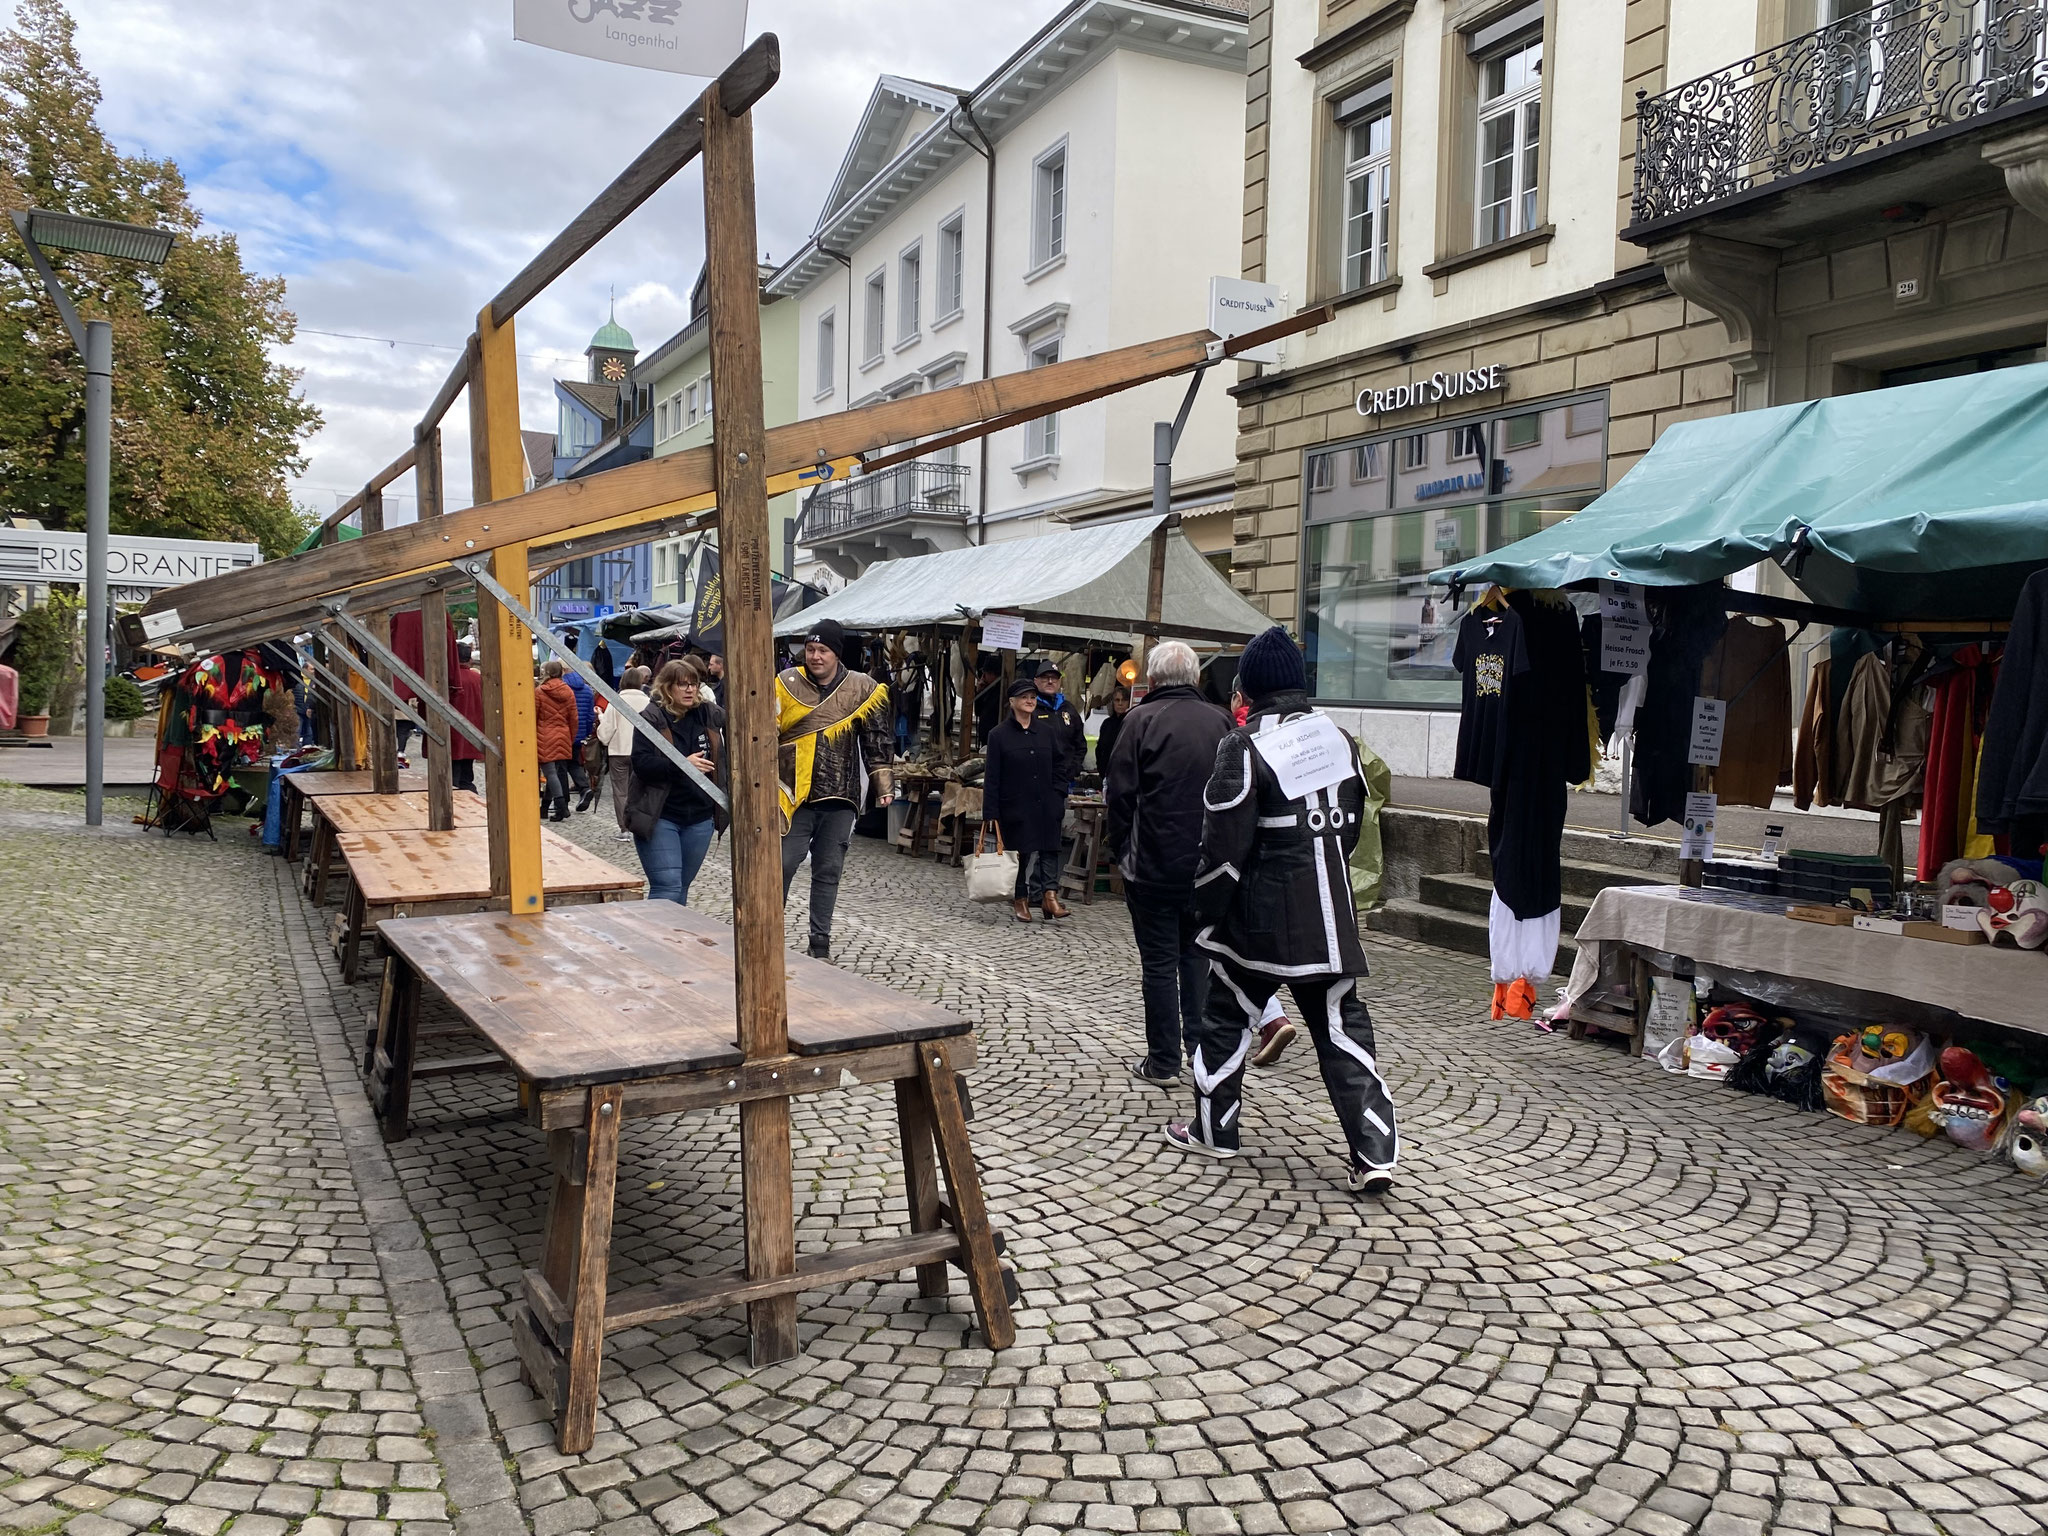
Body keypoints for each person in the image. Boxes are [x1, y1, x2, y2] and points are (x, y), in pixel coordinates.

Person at [1166, 625, 1398, 1196]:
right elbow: (1350, 831)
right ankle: (1374, 1152)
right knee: (1342, 1029)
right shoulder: (1341, 738)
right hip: (1330, 917)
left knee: (1224, 1017)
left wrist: (1205, 916)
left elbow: (1222, 853)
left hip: (1259, 923)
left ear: (1252, 687)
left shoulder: (1242, 747)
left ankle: (1213, 1130)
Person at [1105, 643, 1233, 1084]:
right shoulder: (1219, 720)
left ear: (1153, 680)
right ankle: (1200, 1056)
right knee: (1196, 961)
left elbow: (1119, 795)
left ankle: (1162, 1060)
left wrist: (1119, 849)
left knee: (1159, 965)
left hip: (1153, 865)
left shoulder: (1140, 720)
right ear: (1196, 678)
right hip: (1205, 866)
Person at [777, 618, 892, 960]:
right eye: (810, 649)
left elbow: (878, 739)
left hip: (840, 794)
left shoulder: (863, 688)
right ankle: (768, 930)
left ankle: (820, 941)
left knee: (828, 871)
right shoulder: (786, 683)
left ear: (836, 654)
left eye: (822, 650)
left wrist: (883, 782)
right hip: (791, 792)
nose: (815, 656)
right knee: (781, 864)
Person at [625, 658, 725, 905]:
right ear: (667, 687)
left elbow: (742, 726)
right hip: (661, 815)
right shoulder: (652, 718)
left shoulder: (708, 714)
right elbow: (642, 764)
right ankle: (657, 940)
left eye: (694, 684)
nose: (690, 690)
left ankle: (675, 940)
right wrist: (682, 765)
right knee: (667, 887)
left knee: (681, 887)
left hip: (700, 816)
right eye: (682, 685)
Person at [983, 677, 1072, 923]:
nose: (1030, 701)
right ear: (1012, 702)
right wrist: (991, 812)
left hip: (1047, 803)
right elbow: (992, 776)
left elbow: (1060, 765)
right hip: (1015, 805)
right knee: (1020, 854)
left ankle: (1050, 896)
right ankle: (1020, 898)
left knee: (1050, 849)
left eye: (1032, 697)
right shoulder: (998, 735)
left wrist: (1059, 793)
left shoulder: (1047, 732)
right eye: (1024, 697)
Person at [596, 664, 653, 838]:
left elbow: (606, 732)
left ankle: (625, 828)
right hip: (642, 752)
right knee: (641, 790)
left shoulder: (616, 702)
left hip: (619, 751)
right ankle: (640, 825)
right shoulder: (649, 702)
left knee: (621, 791)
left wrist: (600, 717)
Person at [535, 659, 580, 820]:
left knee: (550, 772)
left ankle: (560, 808)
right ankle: (545, 808)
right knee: (554, 773)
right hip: (563, 734)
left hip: (544, 735)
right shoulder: (568, 691)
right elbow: (573, 718)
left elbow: (534, 715)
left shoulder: (540, 692)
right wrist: (570, 736)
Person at [1033, 658, 1088, 785]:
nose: (1050, 681)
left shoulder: (1068, 708)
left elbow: (1080, 743)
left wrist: (1074, 769)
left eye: (1054, 678)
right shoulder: (1030, 708)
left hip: (1065, 780)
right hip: (1037, 780)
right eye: (1045, 678)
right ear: (1036, 681)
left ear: (1059, 682)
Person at [562, 663, 598, 812]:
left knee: (560, 767)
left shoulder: (562, 689)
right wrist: (586, 733)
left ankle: (562, 801)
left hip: (563, 733)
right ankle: (584, 789)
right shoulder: (588, 691)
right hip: (579, 734)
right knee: (573, 763)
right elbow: (590, 716)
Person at [451, 642, 485, 793]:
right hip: (473, 732)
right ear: (469, 659)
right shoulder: (478, 680)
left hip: (452, 735)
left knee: (453, 777)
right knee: (466, 775)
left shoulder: (449, 679)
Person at [1095, 684, 1132, 776]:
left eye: (1124, 700)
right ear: (1113, 702)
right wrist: (1101, 770)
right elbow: (1100, 749)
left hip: (1127, 775)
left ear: (1129, 702)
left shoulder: (1133, 723)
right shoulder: (1107, 724)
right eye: (1117, 700)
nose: (1120, 703)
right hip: (1108, 774)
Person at [972, 656, 1003, 747]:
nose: (983, 677)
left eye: (986, 674)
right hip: (985, 736)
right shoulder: (986, 690)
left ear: (993, 674)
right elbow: (978, 711)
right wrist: (978, 692)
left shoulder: (1001, 691)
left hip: (995, 736)